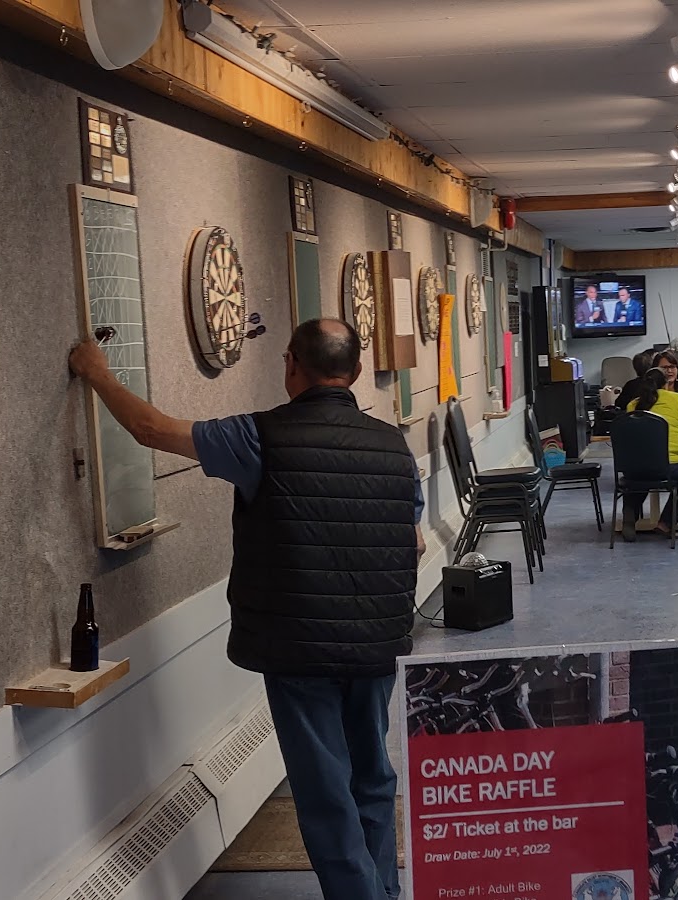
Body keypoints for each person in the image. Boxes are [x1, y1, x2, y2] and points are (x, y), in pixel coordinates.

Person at [68, 319, 419, 900]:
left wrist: (98, 372)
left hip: (298, 651)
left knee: (325, 793)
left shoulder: (258, 438)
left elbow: (151, 429)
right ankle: (383, 891)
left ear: (289, 366)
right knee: (373, 778)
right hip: (376, 644)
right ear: (356, 373)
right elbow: (412, 541)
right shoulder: (393, 445)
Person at [617, 366, 678, 540]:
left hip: (634, 467)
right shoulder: (677, 399)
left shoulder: (632, 405)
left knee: (640, 476)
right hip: (669, 465)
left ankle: (630, 514)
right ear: (666, 384)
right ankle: (666, 523)